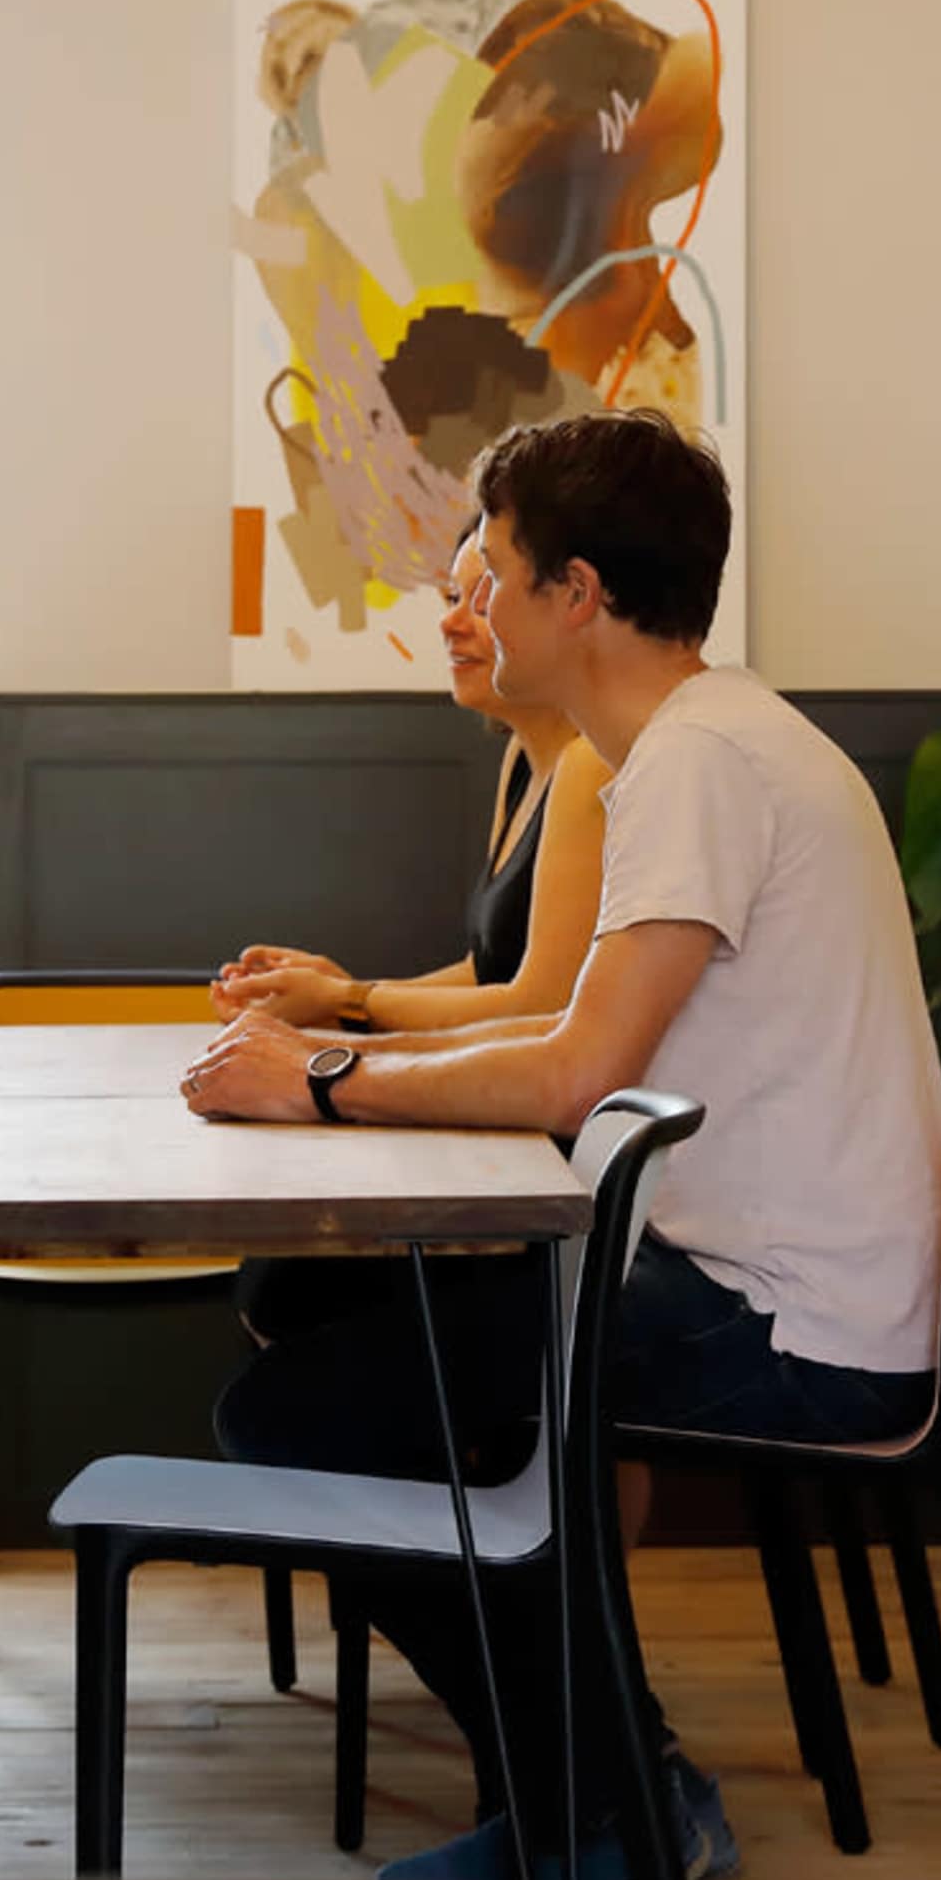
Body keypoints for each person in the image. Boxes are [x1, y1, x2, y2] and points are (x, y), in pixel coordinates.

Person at [183, 410, 941, 1880]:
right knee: (340, 1382)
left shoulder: (694, 765)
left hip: (789, 1321)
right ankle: (611, 1791)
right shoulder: (719, 740)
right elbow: (573, 1039)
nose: (472, 601)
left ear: (579, 593)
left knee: (300, 1421)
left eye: (497, 574)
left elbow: (577, 1068)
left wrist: (325, 1080)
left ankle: (614, 1807)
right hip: (782, 1286)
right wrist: (340, 1065)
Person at [212, 519, 610, 1345]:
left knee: (291, 1292)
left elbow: (539, 1000)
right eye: (452, 597)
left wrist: (352, 1004)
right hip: (503, 1131)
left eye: (480, 595)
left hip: (554, 1166)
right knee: (278, 1282)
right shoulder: (525, 759)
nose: (453, 620)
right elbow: (485, 968)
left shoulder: (587, 768)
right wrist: (339, 999)